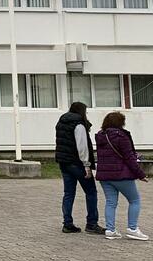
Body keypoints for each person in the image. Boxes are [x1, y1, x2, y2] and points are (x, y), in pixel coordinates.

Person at [95, 112, 148, 241]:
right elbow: (129, 158)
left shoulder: (100, 136)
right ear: (121, 122)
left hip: (104, 175)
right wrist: (140, 174)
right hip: (121, 175)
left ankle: (110, 230)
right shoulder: (122, 136)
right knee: (134, 200)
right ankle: (132, 229)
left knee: (111, 202)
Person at [54, 102, 104, 234]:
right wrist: (86, 165)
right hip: (77, 163)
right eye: (85, 112)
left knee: (69, 193)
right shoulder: (79, 124)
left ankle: (67, 223)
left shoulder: (62, 122)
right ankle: (92, 223)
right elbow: (82, 146)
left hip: (64, 162)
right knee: (91, 192)